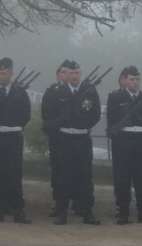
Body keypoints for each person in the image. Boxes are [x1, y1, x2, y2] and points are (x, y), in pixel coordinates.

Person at [43, 60, 102, 225]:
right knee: (64, 176)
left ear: (80, 73)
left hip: (82, 138)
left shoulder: (89, 90)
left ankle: (87, 211)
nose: (74, 76)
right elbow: (49, 115)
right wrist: (65, 122)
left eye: (76, 73)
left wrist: (81, 123)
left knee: (85, 176)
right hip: (64, 139)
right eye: (70, 73)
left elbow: (96, 114)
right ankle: (61, 212)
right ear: (65, 75)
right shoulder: (57, 91)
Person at [106, 66, 142, 224]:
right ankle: (123, 210)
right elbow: (111, 119)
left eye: (137, 79)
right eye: (132, 79)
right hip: (123, 139)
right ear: (125, 80)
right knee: (122, 176)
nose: (135, 82)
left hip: (140, 139)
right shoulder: (115, 97)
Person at [0, 58, 31, 224]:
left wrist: (14, 124)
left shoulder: (20, 91)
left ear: (11, 73)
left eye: (3, 73)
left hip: (13, 136)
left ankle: (18, 210)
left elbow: (26, 114)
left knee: (14, 173)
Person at [42, 62, 70, 217]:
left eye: (69, 72)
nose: (67, 75)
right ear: (58, 75)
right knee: (58, 170)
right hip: (57, 136)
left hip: (74, 136)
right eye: (63, 72)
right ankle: (58, 201)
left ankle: (78, 202)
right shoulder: (52, 91)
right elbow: (46, 112)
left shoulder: (80, 90)